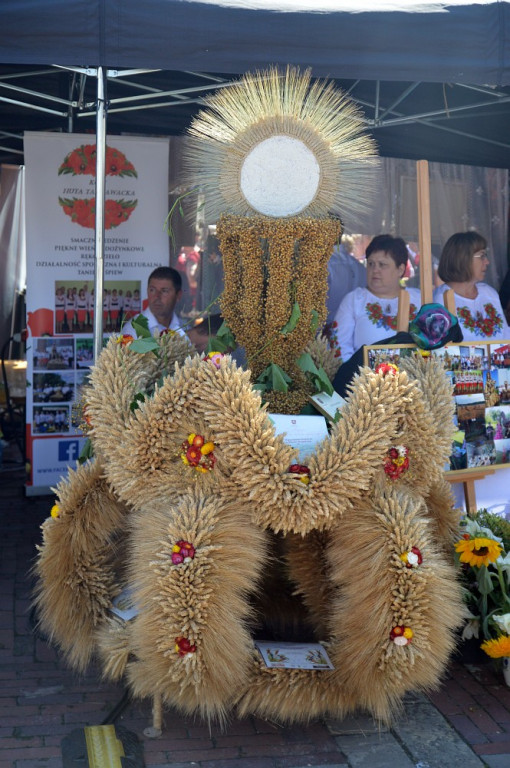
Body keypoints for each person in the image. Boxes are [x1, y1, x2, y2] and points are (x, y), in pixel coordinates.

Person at [332, 234, 421, 363]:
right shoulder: (354, 300)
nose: (375, 270)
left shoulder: (418, 299)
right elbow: (339, 349)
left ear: (400, 269)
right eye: (371, 264)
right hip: (363, 380)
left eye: (382, 265)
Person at [433, 231, 510, 341]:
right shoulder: (440, 299)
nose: (487, 262)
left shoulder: (489, 293)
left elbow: (505, 336)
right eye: (482, 256)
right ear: (464, 258)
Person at [122, 266, 185, 337]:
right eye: (152, 290)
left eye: (164, 291)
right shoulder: (133, 330)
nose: (157, 296)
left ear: (178, 295)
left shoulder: (185, 328)